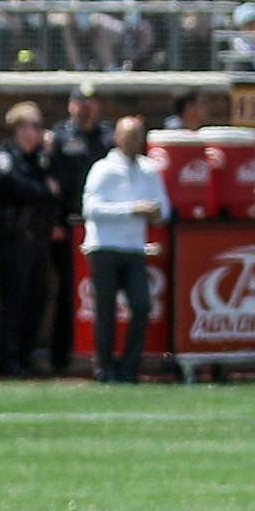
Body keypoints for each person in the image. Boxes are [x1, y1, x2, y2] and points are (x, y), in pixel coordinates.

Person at [80, 116, 167, 382]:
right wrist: (131, 209)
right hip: (104, 247)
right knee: (105, 310)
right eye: (128, 137)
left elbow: (164, 207)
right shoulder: (102, 169)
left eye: (138, 137)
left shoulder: (148, 169)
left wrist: (156, 214)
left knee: (141, 306)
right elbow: (90, 210)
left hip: (134, 248)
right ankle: (105, 368)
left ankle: (129, 367)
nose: (133, 142)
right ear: (116, 138)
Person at [45, 83, 110, 376]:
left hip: (103, 223)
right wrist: (55, 223)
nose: (86, 106)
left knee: (102, 293)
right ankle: (61, 357)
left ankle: (99, 353)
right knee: (69, 293)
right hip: (69, 225)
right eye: (81, 101)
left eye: (91, 101)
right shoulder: (60, 138)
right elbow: (52, 185)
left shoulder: (107, 138)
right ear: (71, 105)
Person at [0, 101, 55, 376]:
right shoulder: (5, 155)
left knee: (37, 298)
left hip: (38, 239)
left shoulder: (40, 158)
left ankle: (28, 356)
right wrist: (43, 190)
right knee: (14, 301)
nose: (39, 132)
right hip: (14, 238)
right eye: (35, 126)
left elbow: (59, 187)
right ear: (19, 128)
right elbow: (15, 185)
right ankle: (9, 360)